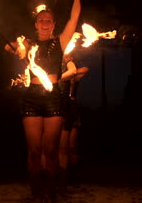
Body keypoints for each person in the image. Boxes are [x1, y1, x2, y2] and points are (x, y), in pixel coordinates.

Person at [4, 0, 82, 203]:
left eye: (49, 20)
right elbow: (7, 47)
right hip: (31, 98)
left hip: (53, 98)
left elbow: (74, 17)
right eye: (42, 20)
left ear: (54, 25)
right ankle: (36, 192)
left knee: (50, 151)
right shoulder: (27, 43)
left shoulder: (60, 42)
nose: (46, 23)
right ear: (36, 24)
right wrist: (16, 49)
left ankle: (50, 193)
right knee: (34, 151)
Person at [58, 53, 89, 193]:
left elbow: (84, 70)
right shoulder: (57, 75)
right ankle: (60, 178)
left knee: (71, 146)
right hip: (58, 109)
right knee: (61, 146)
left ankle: (73, 176)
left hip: (72, 110)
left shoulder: (74, 73)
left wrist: (70, 63)